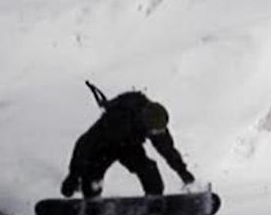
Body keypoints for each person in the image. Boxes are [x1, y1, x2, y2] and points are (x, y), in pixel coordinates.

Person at [61, 82, 195, 199]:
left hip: (129, 146)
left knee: (148, 169)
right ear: (144, 123)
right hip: (105, 145)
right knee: (92, 177)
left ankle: (154, 198)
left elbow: (168, 150)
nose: (158, 134)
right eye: (155, 131)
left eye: (160, 131)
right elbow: (84, 145)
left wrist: (183, 172)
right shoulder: (117, 118)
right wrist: (73, 176)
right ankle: (91, 198)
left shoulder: (156, 123)